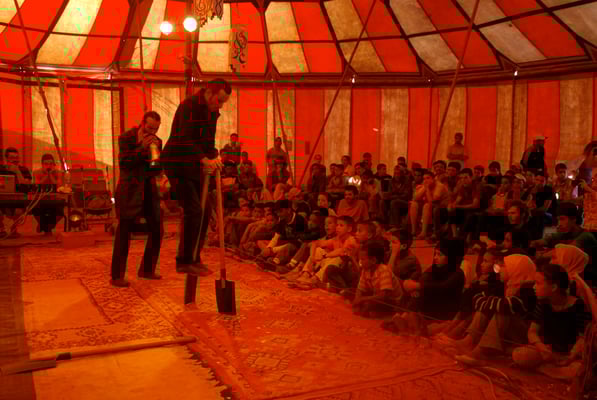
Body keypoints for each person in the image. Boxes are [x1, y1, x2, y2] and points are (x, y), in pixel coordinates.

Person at [161, 79, 231, 275]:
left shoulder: (213, 112)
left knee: (205, 210)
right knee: (194, 210)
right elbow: (183, 138)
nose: (220, 105)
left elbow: (208, 142)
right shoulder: (188, 106)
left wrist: (214, 157)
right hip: (177, 162)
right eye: (219, 100)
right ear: (209, 93)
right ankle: (183, 261)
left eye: (223, 102)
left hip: (194, 165)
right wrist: (203, 159)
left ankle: (194, 257)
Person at [110, 111, 164, 287]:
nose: (152, 132)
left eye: (155, 129)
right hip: (130, 189)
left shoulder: (157, 141)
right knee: (124, 231)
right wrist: (142, 148)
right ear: (142, 123)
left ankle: (147, 269)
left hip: (148, 188)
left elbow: (155, 169)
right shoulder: (126, 138)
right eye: (150, 128)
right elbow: (124, 163)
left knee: (157, 228)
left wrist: (157, 160)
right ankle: (117, 276)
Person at [512, 263, 591, 371]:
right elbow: (532, 331)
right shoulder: (543, 302)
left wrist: (571, 357)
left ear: (554, 287)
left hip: (568, 354)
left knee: (578, 368)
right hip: (546, 351)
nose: (534, 287)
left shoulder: (578, 306)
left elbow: (583, 338)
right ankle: (551, 369)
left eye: (538, 283)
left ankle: (547, 368)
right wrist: (541, 347)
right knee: (520, 355)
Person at [0, 147, 32, 237]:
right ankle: (1, 229)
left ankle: (14, 229)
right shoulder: (1, 169)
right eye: (12, 157)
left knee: (18, 211)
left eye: (17, 157)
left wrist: (17, 172)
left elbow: (27, 184)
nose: (15, 160)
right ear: (6, 159)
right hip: (3, 197)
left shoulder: (24, 170)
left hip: (19, 198)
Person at [32, 154, 65, 235]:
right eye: (46, 164)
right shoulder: (36, 172)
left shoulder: (58, 173)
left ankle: (46, 227)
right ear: (42, 165)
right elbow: (37, 185)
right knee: (35, 210)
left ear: (54, 164)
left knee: (60, 213)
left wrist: (51, 175)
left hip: (55, 198)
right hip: (40, 198)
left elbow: (59, 186)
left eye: (51, 163)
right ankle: (45, 226)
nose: (48, 166)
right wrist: (46, 175)